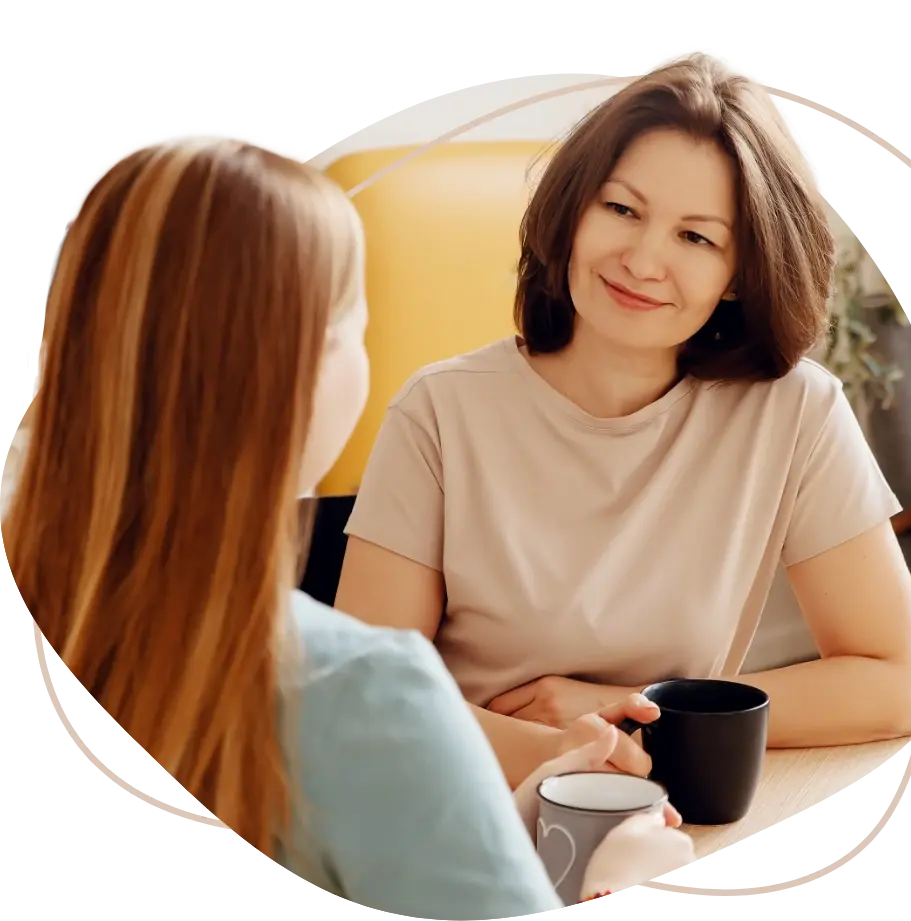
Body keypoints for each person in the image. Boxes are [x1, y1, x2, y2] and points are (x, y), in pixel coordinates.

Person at [0, 131, 694, 917]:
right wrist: (602, 872)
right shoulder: (361, 691)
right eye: (355, 327)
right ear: (309, 363)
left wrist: (494, 814)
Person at [334, 48, 911, 790]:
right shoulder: (439, 410)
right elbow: (357, 695)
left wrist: (633, 708)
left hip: (658, 805)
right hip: (458, 794)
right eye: (620, 208)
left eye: (696, 237)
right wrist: (554, 748)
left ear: (740, 275)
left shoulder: (794, 411)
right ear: (572, 211)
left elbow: (893, 684)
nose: (643, 260)